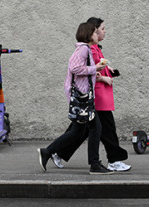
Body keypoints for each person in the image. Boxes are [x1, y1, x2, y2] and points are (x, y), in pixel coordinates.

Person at [49, 17, 131, 172]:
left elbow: (97, 66)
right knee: (105, 129)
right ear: (94, 31)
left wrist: (108, 69)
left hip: (99, 96)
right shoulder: (88, 49)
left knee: (81, 130)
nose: (104, 31)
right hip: (97, 96)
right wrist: (104, 77)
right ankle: (112, 160)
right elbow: (86, 71)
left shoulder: (96, 48)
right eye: (102, 29)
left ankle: (56, 152)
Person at [38, 22, 111, 175]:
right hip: (82, 97)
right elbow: (75, 68)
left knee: (78, 131)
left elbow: (81, 71)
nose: (98, 35)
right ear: (88, 35)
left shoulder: (85, 49)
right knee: (95, 128)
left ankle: (48, 152)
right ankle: (94, 164)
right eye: (95, 33)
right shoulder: (84, 49)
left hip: (83, 96)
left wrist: (93, 73)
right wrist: (94, 69)